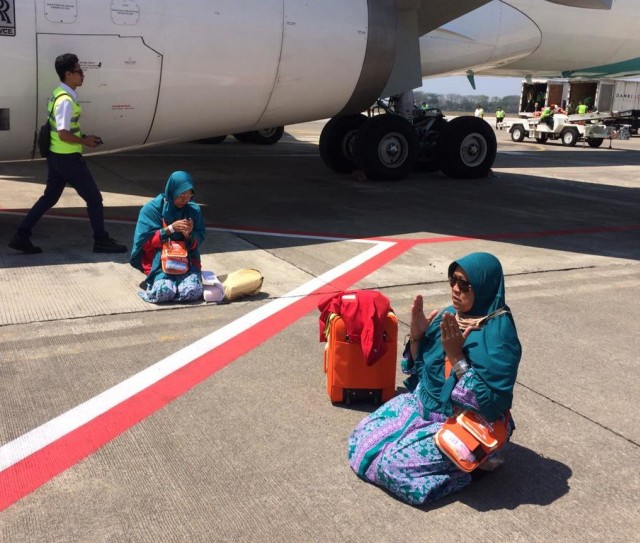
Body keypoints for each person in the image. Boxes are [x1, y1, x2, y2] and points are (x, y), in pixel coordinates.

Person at [348, 252, 522, 506]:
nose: (455, 289)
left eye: (464, 285)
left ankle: (470, 473)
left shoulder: (499, 336)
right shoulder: (450, 316)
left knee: (391, 468)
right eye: (452, 280)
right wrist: (418, 337)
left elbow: (490, 405)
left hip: (463, 423)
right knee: (360, 441)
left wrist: (456, 356)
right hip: (422, 407)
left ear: (484, 287)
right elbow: (419, 373)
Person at [8, 53, 127, 254]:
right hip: (67, 158)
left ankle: (21, 235)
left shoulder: (59, 93)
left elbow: (61, 129)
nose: (83, 75)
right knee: (94, 199)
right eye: (79, 71)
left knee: (49, 198)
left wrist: (84, 136)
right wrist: (84, 141)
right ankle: (101, 240)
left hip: (57, 157)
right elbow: (63, 133)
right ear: (68, 74)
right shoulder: (65, 100)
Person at [130, 171, 206, 303]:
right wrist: (169, 230)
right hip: (160, 263)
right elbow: (144, 243)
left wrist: (190, 235)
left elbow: (200, 237)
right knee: (164, 292)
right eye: (181, 194)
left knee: (192, 291)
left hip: (186, 262)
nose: (185, 199)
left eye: (189, 195)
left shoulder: (193, 210)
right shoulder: (151, 210)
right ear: (172, 191)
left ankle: (177, 288)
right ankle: (164, 285)